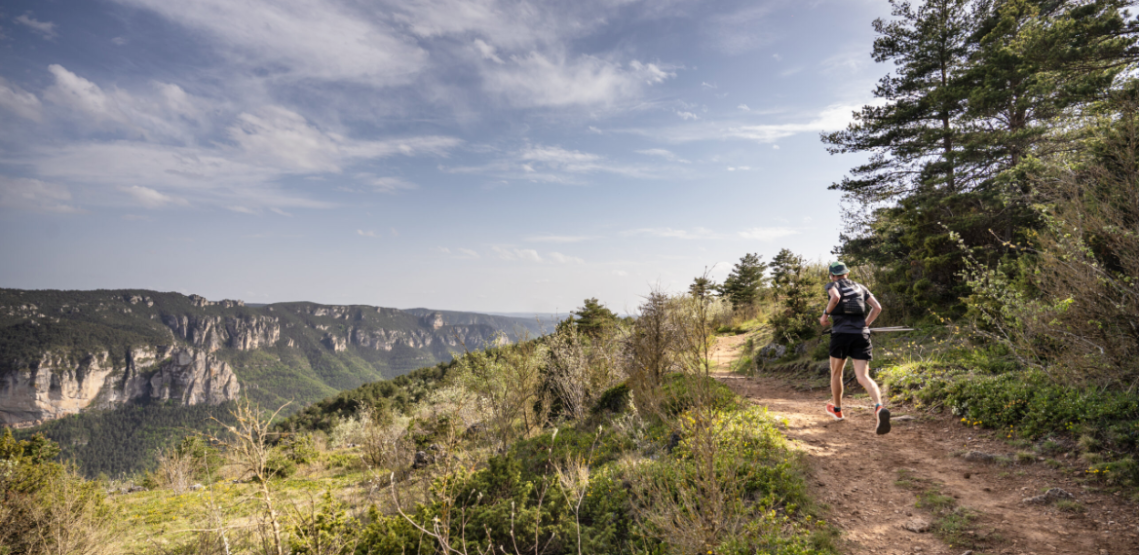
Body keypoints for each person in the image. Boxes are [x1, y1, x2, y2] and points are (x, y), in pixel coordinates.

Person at [818, 261, 890, 435]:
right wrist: (866, 323)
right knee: (863, 376)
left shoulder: (833, 285)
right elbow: (877, 307)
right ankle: (879, 407)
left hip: (841, 335)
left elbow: (835, 297)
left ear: (832, 275)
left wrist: (825, 315)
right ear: (847, 273)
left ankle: (837, 410)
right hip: (861, 335)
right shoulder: (860, 287)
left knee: (836, 373)